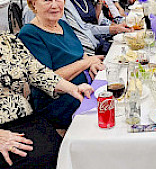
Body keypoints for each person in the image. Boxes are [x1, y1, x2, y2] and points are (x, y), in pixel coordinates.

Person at [18, 0, 105, 129]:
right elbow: (49, 78)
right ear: (33, 3)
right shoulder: (29, 33)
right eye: (47, 0)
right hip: (59, 101)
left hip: (86, 87)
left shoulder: (62, 24)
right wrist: (87, 62)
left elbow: (79, 54)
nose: (55, 5)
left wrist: (90, 64)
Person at [0, 33, 93, 169]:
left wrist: (73, 88)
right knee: (37, 158)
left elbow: (37, 71)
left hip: (24, 117)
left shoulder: (7, 40)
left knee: (62, 149)